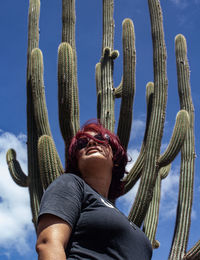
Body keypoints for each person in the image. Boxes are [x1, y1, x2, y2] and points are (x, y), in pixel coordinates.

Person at [36, 121, 152, 259]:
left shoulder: (115, 212)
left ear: (114, 156)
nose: (91, 143)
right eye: (82, 144)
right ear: (76, 161)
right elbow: (48, 243)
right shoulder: (70, 183)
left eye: (100, 139)